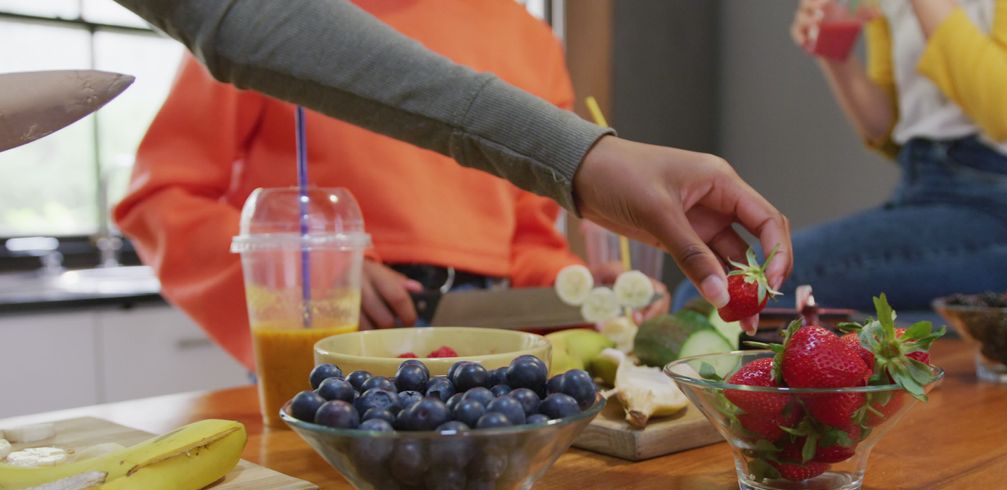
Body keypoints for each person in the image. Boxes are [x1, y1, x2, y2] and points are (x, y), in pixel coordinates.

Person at [110, 0, 792, 333]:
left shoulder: (527, 38)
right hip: (334, 332)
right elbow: (162, 197)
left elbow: (524, 238)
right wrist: (299, 271)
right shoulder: (280, 25)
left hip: (489, 329)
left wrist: (572, 286)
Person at [677, 0, 1007, 313]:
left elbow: (1006, 109)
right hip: (925, 190)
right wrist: (834, 51)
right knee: (850, 329)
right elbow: (888, 130)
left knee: (723, 293)